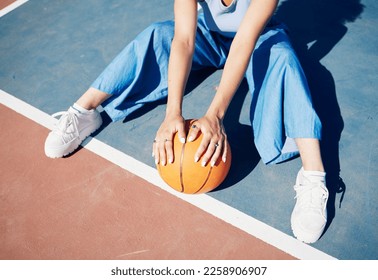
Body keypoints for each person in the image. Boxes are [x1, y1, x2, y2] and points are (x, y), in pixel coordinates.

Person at [44, 0, 328, 244]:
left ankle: (313, 176)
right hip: (210, 38)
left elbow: (244, 39)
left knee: (283, 58)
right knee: (158, 34)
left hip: (258, 40)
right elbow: (184, 40)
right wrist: (172, 113)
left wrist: (216, 115)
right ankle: (85, 111)